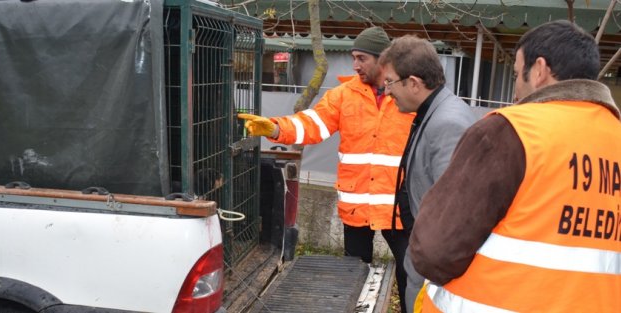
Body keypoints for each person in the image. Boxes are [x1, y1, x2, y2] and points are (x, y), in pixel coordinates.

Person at [411, 20, 621, 312]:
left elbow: (434, 251)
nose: (516, 90)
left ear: (539, 71)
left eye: (514, 75)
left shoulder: (509, 131)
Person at [238, 27, 415, 312]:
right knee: (351, 276)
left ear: (383, 58)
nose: (355, 65)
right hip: (357, 207)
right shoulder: (344, 95)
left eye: (361, 58)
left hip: (398, 208)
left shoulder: (407, 95)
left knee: (411, 277)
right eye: (353, 57)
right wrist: (275, 127)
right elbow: (312, 123)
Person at [378, 35, 477, 313]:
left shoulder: (448, 124)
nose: (387, 91)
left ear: (414, 83)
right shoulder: (436, 112)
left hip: (434, 270)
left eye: (390, 82)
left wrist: (423, 263)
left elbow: (453, 214)